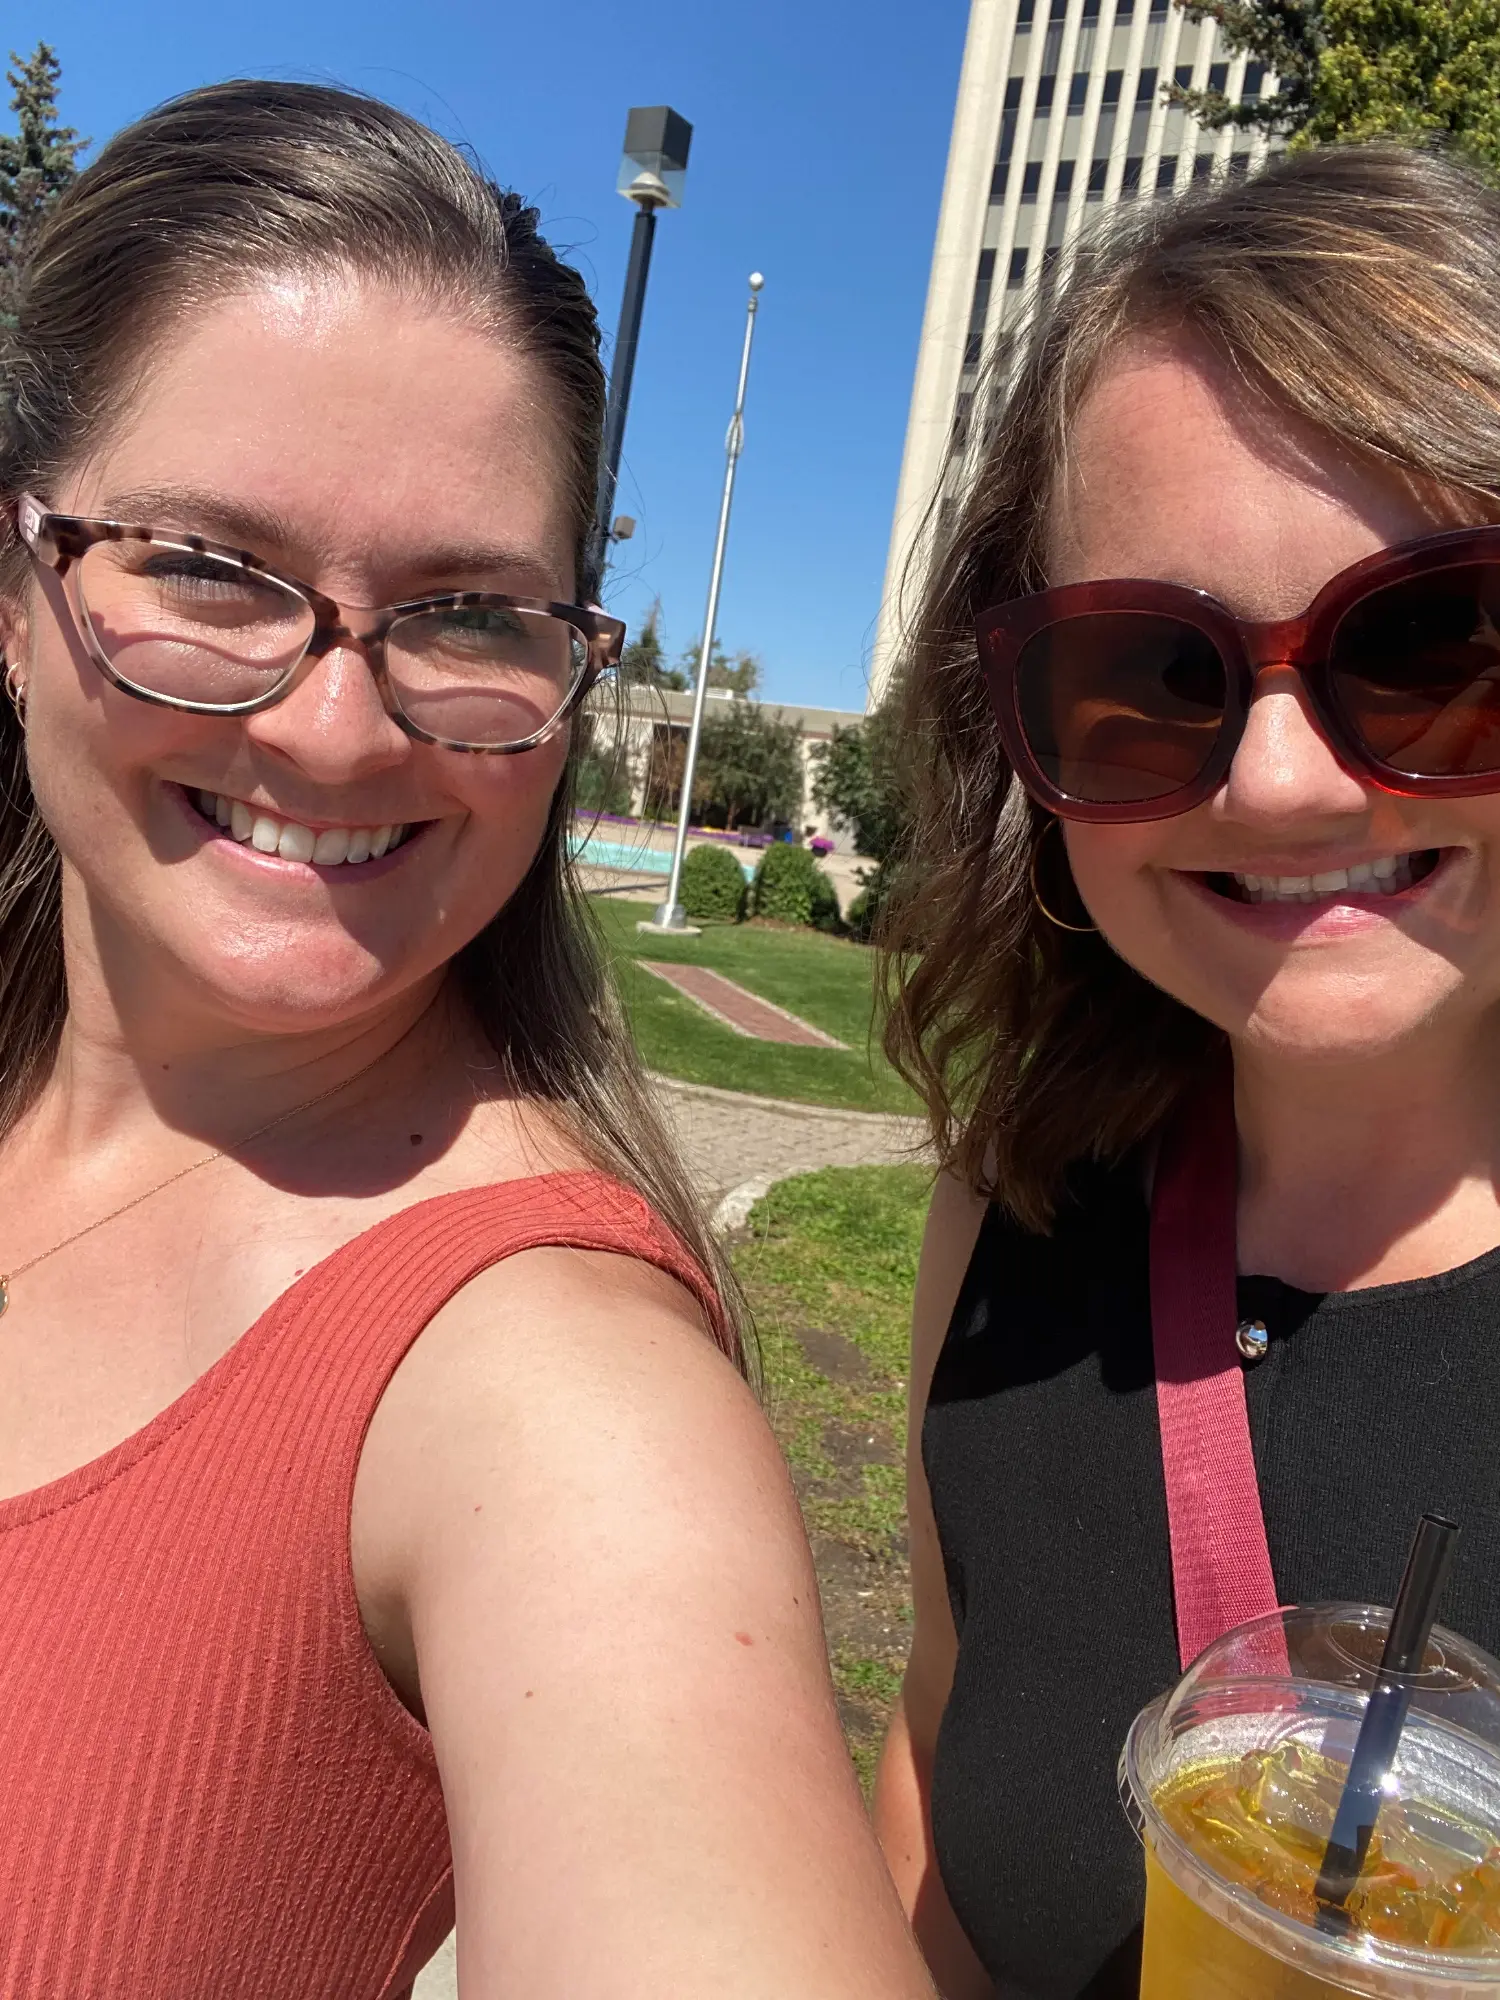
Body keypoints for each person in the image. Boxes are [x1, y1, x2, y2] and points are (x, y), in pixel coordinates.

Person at [0, 80, 937, 2000]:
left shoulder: (563, 1403)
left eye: (466, 612)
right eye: (206, 568)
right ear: (21, 587)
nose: (339, 731)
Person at [873, 142, 1500, 1999]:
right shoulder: (1017, 1214)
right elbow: (927, 1757)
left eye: (1437, 640)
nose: (1286, 783)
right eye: (1153, 670)